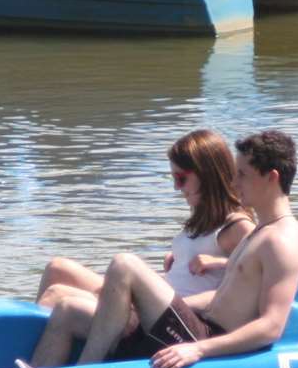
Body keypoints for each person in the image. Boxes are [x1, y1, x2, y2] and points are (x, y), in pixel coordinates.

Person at [28, 129, 298, 368]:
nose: (234, 183)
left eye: (242, 175)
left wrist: (198, 350)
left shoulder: (281, 241)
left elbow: (272, 326)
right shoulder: (262, 231)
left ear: (272, 178)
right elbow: (222, 296)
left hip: (204, 336)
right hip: (193, 324)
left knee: (125, 264)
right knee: (66, 310)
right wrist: (143, 301)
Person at [33, 129, 252, 311]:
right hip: (156, 292)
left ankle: (35, 357)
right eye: (174, 178)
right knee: (57, 268)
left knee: (57, 294)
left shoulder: (237, 226)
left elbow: (265, 269)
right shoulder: (202, 219)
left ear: (207, 175)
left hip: (160, 311)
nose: (176, 187)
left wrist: (221, 262)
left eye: (181, 178)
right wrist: (180, 257)